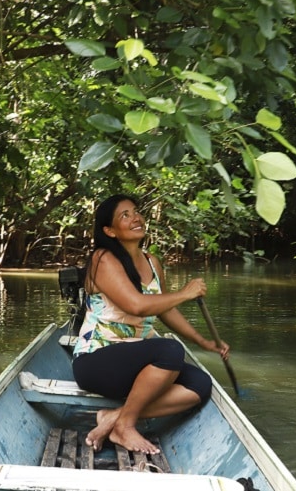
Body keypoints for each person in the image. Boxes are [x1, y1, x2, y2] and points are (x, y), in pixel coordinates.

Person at [71, 194, 230, 455]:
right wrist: (185, 293)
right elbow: (138, 305)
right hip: (96, 361)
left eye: (136, 211)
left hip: (136, 361)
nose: (136, 217)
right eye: (125, 215)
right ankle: (125, 426)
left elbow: (166, 311)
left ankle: (114, 418)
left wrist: (204, 342)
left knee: (199, 385)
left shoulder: (151, 262)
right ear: (109, 231)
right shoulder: (103, 259)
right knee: (169, 351)